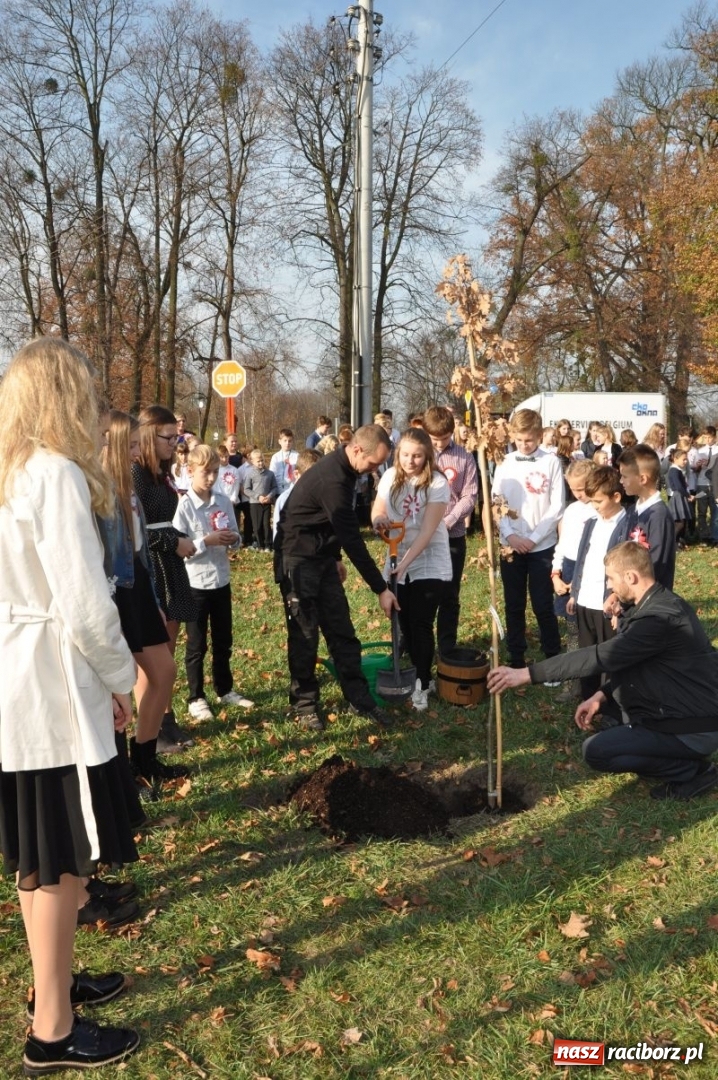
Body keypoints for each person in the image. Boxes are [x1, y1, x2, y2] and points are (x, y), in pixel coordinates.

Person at [0, 338, 140, 1072]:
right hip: (51, 691)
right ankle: (52, 1028)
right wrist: (122, 679)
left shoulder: (7, 474)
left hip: (18, 688)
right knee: (61, 864)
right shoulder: (52, 474)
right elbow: (85, 608)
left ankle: (48, 987)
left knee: (40, 856)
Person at [488, 542, 718, 801]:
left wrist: (527, 674)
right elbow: (639, 665)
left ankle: (693, 770)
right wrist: (601, 696)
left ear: (631, 577)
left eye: (610, 578)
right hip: (686, 715)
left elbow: (599, 656)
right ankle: (675, 755)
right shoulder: (657, 605)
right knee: (616, 744)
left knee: (597, 751)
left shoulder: (658, 620)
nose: (608, 585)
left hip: (693, 727)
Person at [274, 424, 399, 731]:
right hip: (297, 560)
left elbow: (327, 522)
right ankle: (304, 703)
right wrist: (381, 588)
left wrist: (333, 557)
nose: (373, 470)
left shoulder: (347, 473)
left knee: (342, 631)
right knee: (306, 635)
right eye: (371, 463)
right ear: (356, 450)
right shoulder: (332, 479)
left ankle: (359, 698)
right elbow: (352, 538)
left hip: (321, 557)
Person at [101, 409, 177, 815]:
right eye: (129, 445)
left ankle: (145, 759)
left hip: (139, 592)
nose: (136, 452)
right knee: (125, 682)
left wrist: (156, 601)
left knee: (164, 671)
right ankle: (130, 771)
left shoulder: (128, 489)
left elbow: (140, 551)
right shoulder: (98, 492)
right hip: (117, 596)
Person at [132, 406, 198, 760]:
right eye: (168, 437)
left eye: (178, 437)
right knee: (154, 655)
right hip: (153, 564)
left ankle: (164, 716)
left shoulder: (159, 473)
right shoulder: (135, 474)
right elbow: (137, 531)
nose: (175, 443)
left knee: (168, 647)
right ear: (147, 436)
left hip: (168, 562)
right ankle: (150, 730)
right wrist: (174, 543)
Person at [372, 429, 452, 710]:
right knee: (402, 620)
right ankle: (412, 673)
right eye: (405, 454)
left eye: (417, 455)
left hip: (429, 559)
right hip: (396, 555)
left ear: (427, 455)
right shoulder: (390, 477)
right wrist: (379, 519)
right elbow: (378, 509)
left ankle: (422, 682)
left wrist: (403, 564)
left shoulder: (437, 483)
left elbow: (428, 531)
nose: (410, 460)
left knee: (421, 623)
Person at [172, 444, 254, 721]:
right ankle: (195, 696)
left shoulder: (223, 501)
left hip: (221, 580)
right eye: (206, 472)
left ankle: (224, 688)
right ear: (191, 471)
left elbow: (236, 536)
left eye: (215, 472)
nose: (211, 478)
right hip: (196, 583)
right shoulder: (184, 507)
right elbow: (179, 548)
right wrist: (205, 542)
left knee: (223, 639)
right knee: (196, 644)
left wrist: (234, 539)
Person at [491, 408, 564, 668]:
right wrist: (510, 535)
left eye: (529, 440)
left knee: (543, 603)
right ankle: (517, 656)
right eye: (519, 440)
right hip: (511, 545)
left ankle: (552, 657)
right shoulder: (504, 462)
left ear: (539, 435)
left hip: (541, 545)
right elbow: (496, 501)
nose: (524, 445)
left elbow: (556, 506)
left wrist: (533, 538)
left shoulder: (551, 462)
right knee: (514, 603)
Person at [422, 406, 479, 657]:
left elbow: (470, 495)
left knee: (449, 592)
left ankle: (446, 646)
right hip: (420, 535)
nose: (440, 444)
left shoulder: (464, 458)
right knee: (421, 591)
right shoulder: (417, 455)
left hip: (452, 535)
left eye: (444, 439)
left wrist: (451, 519)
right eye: (434, 440)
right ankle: (414, 642)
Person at [568, 466, 625, 700]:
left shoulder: (626, 525)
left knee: (610, 658)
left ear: (616, 497)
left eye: (598, 502)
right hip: (584, 601)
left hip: (607, 604)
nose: (594, 506)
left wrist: (618, 599)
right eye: (591, 502)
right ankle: (587, 700)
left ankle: (610, 706)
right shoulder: (592, 522)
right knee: (587, 656)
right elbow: (583, 557)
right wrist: (575, 592)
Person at [551, 459, 596, 703]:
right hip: (568, 570)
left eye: (582, 488)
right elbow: (562, 544)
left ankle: (594, 684)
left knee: (592, 632)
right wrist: (556, 574)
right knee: (573, 632)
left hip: (591, 574)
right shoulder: (571, 511)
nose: (578, 494)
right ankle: (572, 684)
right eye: (573, 489)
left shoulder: (599, 511)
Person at [609, 444, 676, 590]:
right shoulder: (633, 510)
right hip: (627, 595)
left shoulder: (659, 516)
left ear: (643, 479)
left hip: (648, 601)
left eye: (624, 476)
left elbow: (656, 564)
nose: (621, 481)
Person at [272, 449, 321, 541]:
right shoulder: (285, 499)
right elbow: (278, 533)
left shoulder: (325, 497)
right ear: (296, 474)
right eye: (310, 477)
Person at [243, 449, 279, 552]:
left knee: (266, 525)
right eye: (258, 461)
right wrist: (258, 496)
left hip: (267, 503)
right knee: (257, 526)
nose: (260, 463)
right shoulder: (250, 474)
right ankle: (260, 545)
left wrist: (269, 496)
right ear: (253, 461)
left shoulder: (270, 474)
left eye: (262, 460)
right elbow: (246, 489)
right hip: (255, 503)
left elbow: (274, 487)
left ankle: (268, 545)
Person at [666, 448, 693, 549]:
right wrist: (688, 495)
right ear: (676, 458)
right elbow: (678, 486)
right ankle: (672, 542)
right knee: (679, 522)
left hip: (680, 497)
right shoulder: (674, 470)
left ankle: (679, 542)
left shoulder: (677, 470)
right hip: (678, 497)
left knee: (683, 521)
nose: (686, 462)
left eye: (686, 459)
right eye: (684, 459)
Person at [269, 428, 299, 494]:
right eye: (285, 440)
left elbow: (299, 473)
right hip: (278, 490)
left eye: (290, 441)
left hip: (292, 490)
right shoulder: (275, 457)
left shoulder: (297, 456)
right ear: (279, 441)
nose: (287, 443)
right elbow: (272, 473)